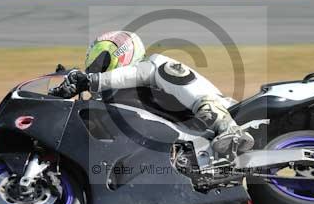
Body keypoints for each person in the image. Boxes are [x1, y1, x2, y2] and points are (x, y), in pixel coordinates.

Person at [50, 30, 253, 154]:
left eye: (101, 61)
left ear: (122, 52)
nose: (96, 68)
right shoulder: (110, 97)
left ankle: (225, 124)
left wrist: (92, 80)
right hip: (181, 145)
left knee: (163, 68)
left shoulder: (147, 68)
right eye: (93, 66)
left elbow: (139, 73)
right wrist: (59, 98)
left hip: (229, 112)